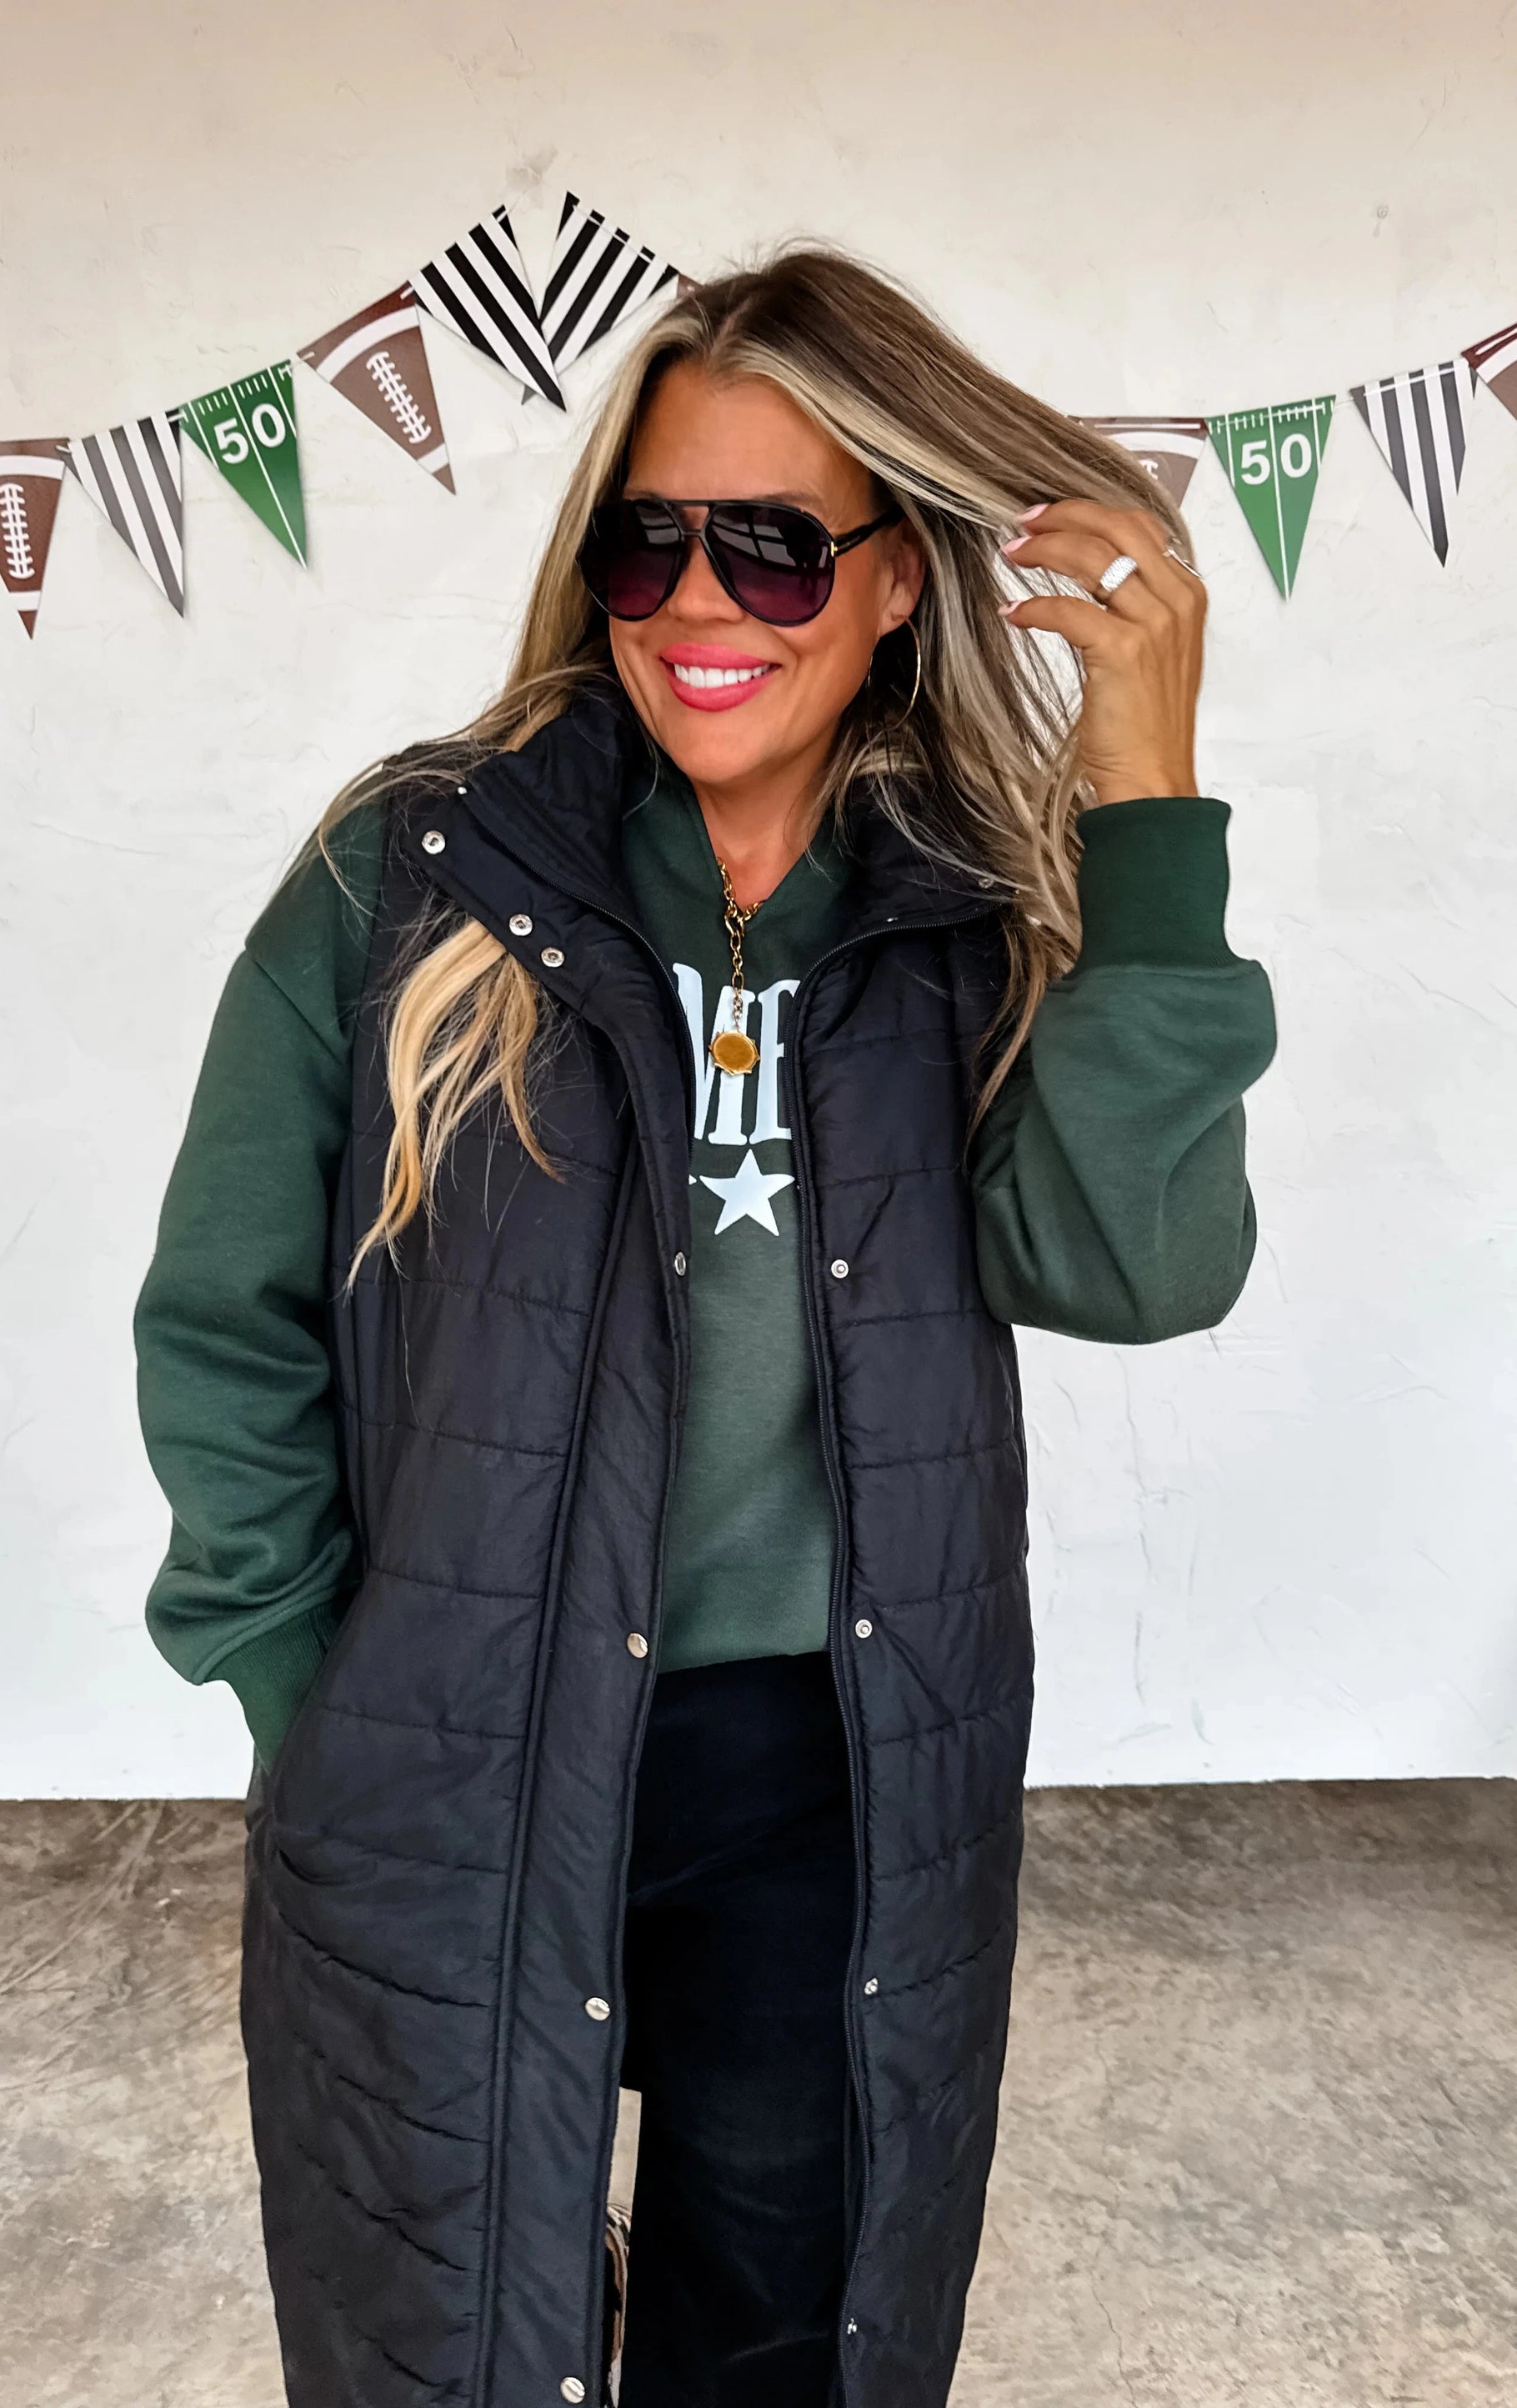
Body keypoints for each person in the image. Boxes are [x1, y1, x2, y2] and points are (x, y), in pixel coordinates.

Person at [134, 248, 1275, 2408]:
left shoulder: (959, 922)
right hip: (459, 1727)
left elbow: (1136, 1265)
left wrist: (1147, 811)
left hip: (821, 1768)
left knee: (778, 2326)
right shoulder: (421, 877)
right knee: (449, 2333)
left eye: (770, 545)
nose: (696, 603)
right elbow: (225, 1314)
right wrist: (313, 1694)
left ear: (895, 578)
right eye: (648, 542)